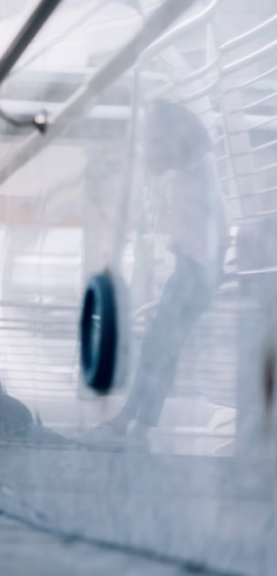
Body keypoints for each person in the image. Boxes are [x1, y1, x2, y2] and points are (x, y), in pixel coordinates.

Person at [92, 99, 228, 446]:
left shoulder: (200, 175)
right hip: (192, 273)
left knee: (159, 348)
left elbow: (221, 230)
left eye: (156, 138)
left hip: (193, 273)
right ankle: (137, 422)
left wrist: (206, 273)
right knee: (160, 348)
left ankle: (132, 421)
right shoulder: (194, 173)